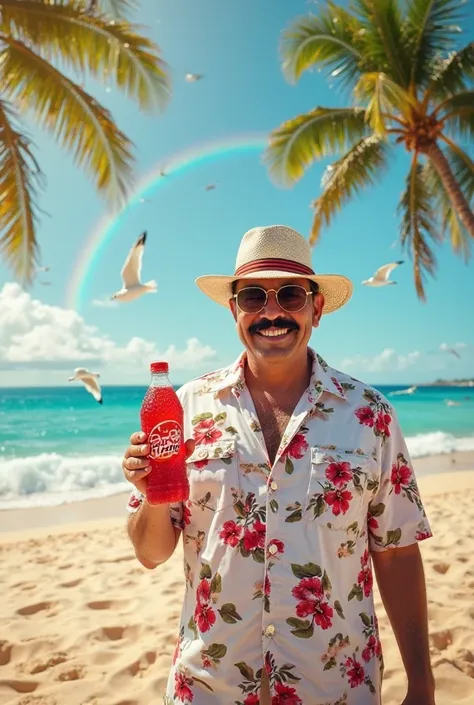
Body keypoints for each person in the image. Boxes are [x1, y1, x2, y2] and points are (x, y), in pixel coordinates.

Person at [123, 225, 435, 705]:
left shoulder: (369, 414)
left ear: (317, 307)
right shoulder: (184, 406)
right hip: (210, 686)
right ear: (233, 310)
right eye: (253, 296)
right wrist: (150, 492)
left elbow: (395, 551)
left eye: (289, 294)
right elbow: (150, 553)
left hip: (336, 685)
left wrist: (422, 682)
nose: (271, 311)